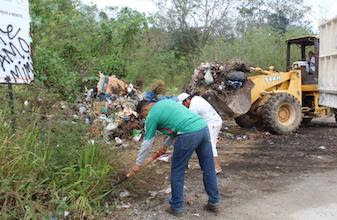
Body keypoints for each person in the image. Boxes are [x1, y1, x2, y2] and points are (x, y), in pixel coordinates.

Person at [128, 99, 220, 217]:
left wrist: (138, 164)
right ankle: (214, 201)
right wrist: (165, 146)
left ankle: (176, 206)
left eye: (143, 116)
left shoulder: (152, 115)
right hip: (203, 128)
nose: (145, 118)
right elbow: (177, 126)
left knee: (177, 171)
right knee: (208, 168)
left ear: (145, 110)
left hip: (188, 134)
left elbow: (147, 142)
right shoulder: (166, 103)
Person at [177, 93, 223, 174]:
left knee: (210, 145)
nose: (184, 107)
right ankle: (211, 166)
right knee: (207, 144)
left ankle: (217, 167)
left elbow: (190, 123)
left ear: (187, 100)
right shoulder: (196, 98)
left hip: (212, 123)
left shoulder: (193, 106)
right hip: (213, 121)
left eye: (183, 104)